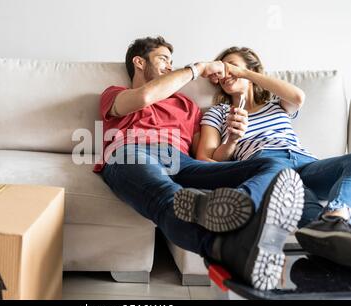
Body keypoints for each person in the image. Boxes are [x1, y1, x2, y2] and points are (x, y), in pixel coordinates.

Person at [94, 36, 303, 291]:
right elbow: (146, 96)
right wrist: (198, 69)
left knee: (273, 166)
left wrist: (232, 142)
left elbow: (204, 159)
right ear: (139, 62)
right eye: (163, 59)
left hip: (181, 161)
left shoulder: (187, 106)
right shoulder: (115, 94)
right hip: (131, 152)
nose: (170, 66)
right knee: (170, 195)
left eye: (172, 62)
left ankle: (237, 206)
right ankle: (226, 248)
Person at [196, 46, 351, 268]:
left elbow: (298, 96)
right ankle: (328, 237)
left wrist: (245, 73)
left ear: (251, 71)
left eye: (233, 66)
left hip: (307, 163)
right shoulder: (219, 112)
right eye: (223, 70)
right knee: (288, 182)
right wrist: (231, 140)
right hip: (266, 164)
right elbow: (206, 159)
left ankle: (333, 218)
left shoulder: (276, 105)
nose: (227, 73)